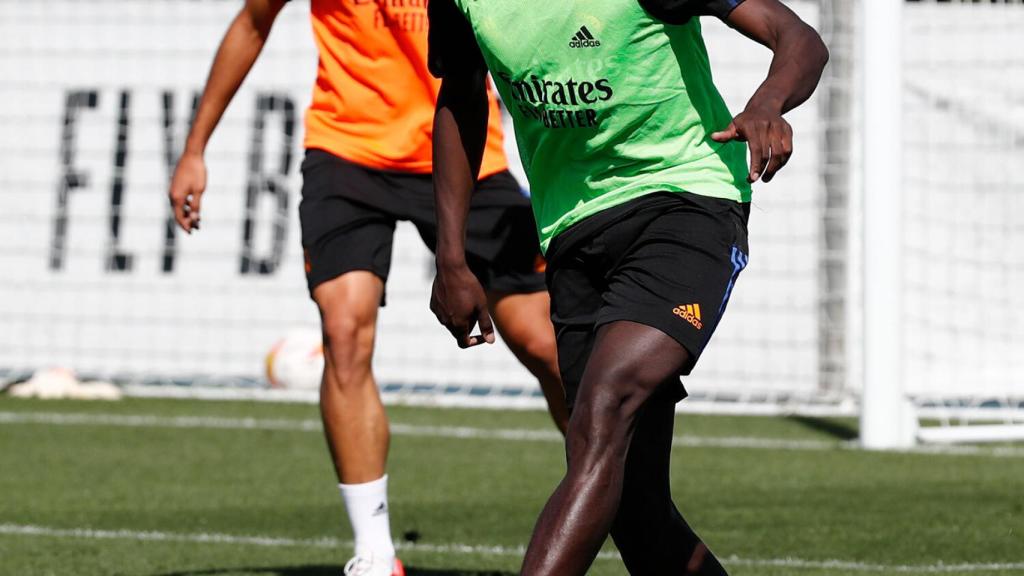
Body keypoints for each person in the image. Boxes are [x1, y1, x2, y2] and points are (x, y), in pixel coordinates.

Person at [427, 0, 828, 574]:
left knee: (605, 407)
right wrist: (451, 258)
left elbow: (798, 36)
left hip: (685, 201)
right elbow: (461, 97)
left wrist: (767, 103)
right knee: (636, 509)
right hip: (571, 232)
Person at [168, 1, 569, 575]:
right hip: (347, 153)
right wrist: (194, 149)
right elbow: (253, 22)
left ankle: (616, 492)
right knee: (344, 330)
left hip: (462, 149)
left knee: (546, 344)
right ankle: (375, 552)